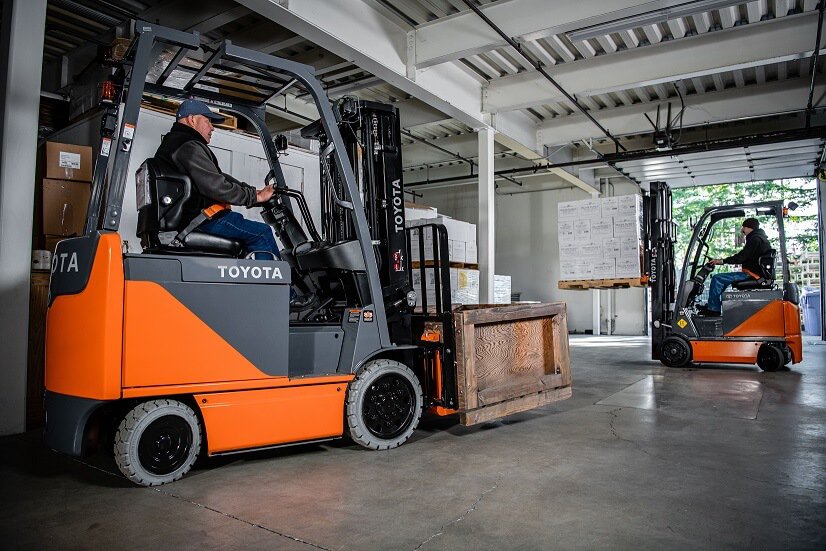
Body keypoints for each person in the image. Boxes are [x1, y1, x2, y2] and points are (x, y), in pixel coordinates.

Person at [154, 99, 280, 259]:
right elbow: (216, 186)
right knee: (262, 233)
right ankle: (273, 285)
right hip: (201, 220)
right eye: (208, 121)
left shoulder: (177, 144)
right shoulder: (188, 146)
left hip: (193, 218)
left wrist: (255, 194)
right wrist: (255, 196)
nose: (212, 127)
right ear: (192, 119)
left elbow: (218, 178)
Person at [702, 217, 772, 316]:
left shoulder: (755, 239)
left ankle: (713, 309)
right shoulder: (760, 238)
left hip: (752, 274)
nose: (743, 230)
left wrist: (721, 261)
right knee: (722, 280)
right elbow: (744, 256)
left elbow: (741, 257)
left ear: (748, 227)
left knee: (717, 279)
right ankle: (712, 305)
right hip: (755, 272)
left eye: (743, 227)